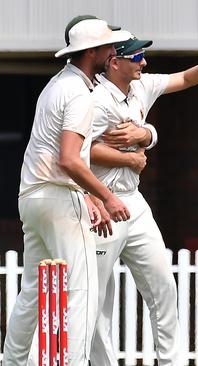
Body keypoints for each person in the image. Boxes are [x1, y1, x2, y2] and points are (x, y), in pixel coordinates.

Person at [3, 15, 130, 366]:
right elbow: (70, 160)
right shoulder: (78, 92)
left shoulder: (57, 84)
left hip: (31, 196)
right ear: (92, 52)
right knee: (82, 291)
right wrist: (107, 195)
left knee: (32, 293)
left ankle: (11, 362)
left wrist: (88, 195)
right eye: (108, 47)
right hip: (58, 198)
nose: (113, 53)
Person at [87, 33, 198, 366]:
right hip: (101, 202)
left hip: (134, 201)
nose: (143, 62)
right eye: (136, 57)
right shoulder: (95, 99)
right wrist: (131, 157)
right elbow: (81, 152)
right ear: (114, 62)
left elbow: (184, 79)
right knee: (97, 298)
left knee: (163, 286)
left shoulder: (141, 86)